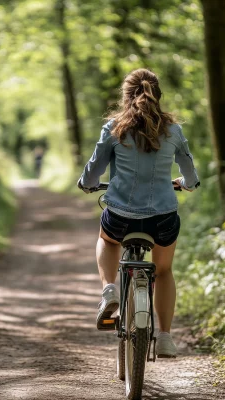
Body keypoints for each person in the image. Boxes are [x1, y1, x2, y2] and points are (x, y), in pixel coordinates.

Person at [77, 68, 200, 358]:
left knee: (107, 240)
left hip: (121, 215)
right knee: (165, 270)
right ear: (158, 95)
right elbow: (191, 178)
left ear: (125, 96)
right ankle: (166, 337)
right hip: (163, 219)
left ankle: (109, 289)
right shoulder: (174, 131)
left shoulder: (114, 128)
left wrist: (87, 184)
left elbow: (94, 171)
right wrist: (183, 184)